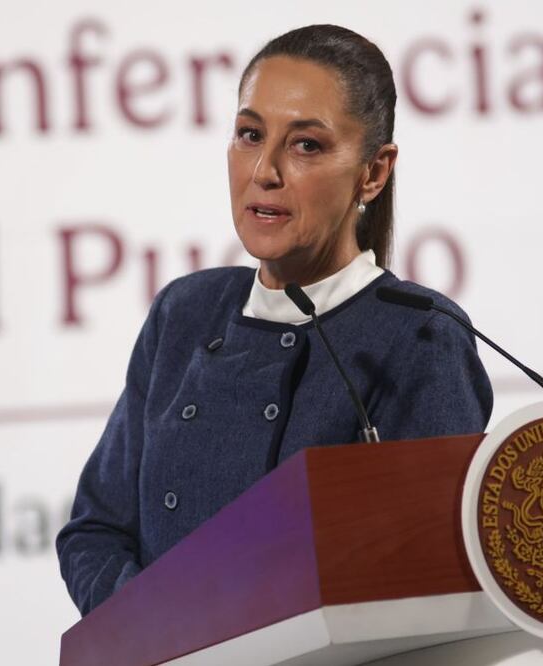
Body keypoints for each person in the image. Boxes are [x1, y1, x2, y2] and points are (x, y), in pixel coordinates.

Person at [56, 24, 493, 615]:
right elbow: (95, 532)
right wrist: (160, 632)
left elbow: (433, 581)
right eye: (250, 134)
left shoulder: (418, 334)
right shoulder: (185, 312)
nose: (264, 170)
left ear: (374, 172)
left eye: (305, 145)